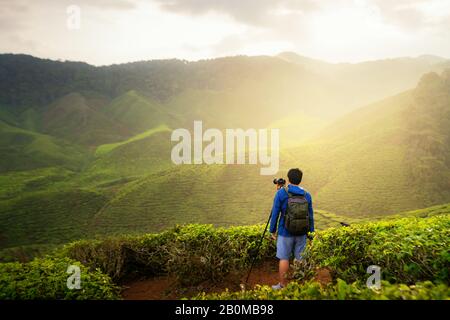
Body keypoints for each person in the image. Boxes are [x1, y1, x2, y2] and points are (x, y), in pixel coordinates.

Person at [270, 168, 314, 290]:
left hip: (285, 232)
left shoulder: (281, 193)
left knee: (284, 258)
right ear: (300, 180)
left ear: (288, 179)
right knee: (300, 258)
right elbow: (310, 215)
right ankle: (301, 285)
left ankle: (283, 285)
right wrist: (311, 232)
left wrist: (272, 230)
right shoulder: (307, 195)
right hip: (302, 232)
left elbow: (275, 213)